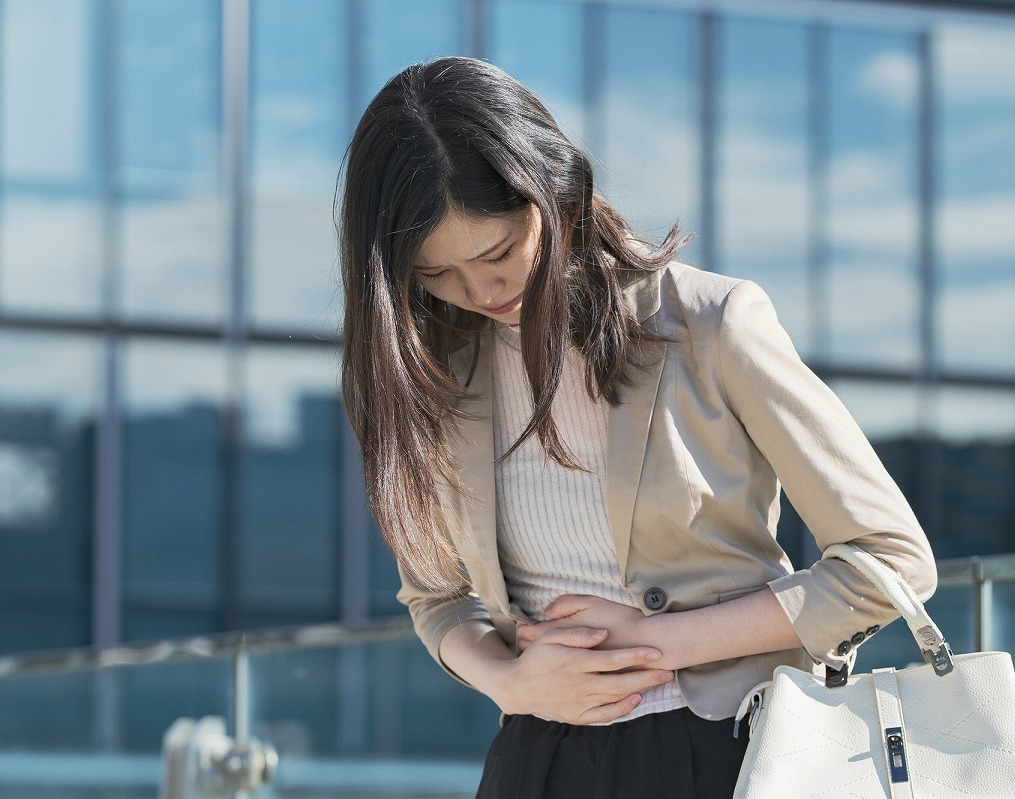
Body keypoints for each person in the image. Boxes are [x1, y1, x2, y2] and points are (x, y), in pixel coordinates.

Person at [338, 56, 936, 799]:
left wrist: (660, 642)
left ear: (553, 190)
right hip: (537, 759)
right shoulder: (437, 371)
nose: (480, 290)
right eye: (437, 275)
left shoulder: (710, 325)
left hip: (731, 754)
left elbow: (891, 562)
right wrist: (511, 682)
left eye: (497, 252)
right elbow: (435, 598)